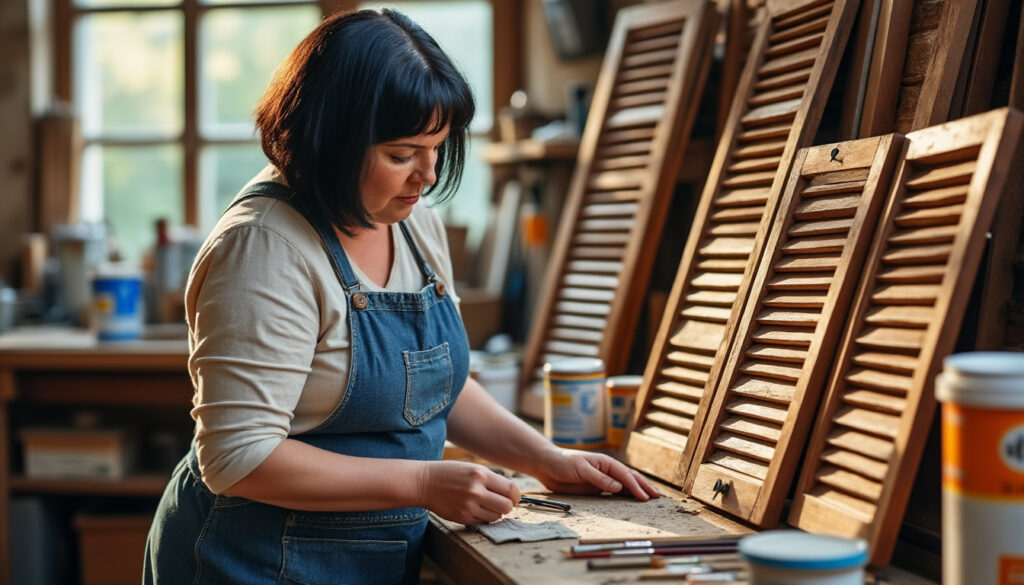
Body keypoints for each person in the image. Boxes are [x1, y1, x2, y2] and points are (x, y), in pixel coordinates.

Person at [144, 8, 659, 585]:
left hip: (370, 557)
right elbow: (238, 458)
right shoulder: (264, 248)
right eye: (401, 154)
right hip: (251, 562)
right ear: (330, 139)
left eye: (437, 147)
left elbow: (437, 387)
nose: (428, 175)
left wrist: (545, 458)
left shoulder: (411, 220)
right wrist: (421, 481)